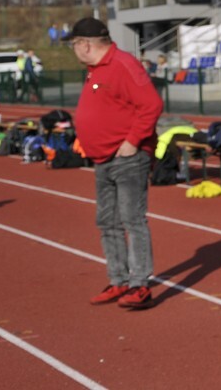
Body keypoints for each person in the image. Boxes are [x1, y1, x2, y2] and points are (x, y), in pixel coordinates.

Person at [70, 18, 163, 310]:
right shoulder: (96, 69)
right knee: (107, 221)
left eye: (74, 44)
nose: (73, 50)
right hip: (103, 157)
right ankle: (118, 279)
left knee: (132, 219)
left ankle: (139, 284)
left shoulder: (122, 64)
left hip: (127, 157)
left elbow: (151, 105)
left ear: (85, 44)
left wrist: (133, 141)